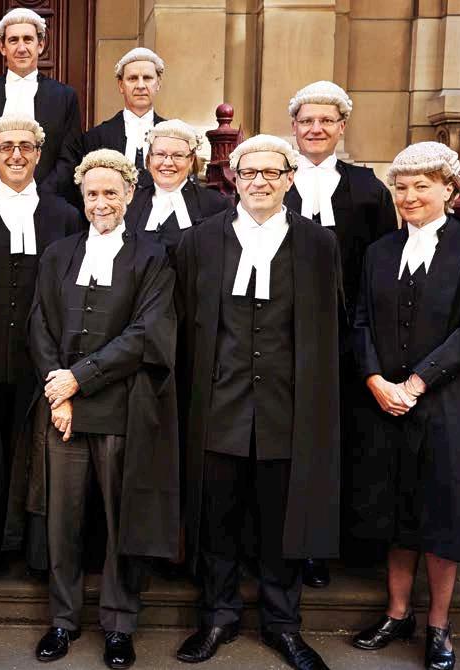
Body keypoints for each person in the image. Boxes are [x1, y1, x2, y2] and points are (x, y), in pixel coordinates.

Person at [174, 135, 340, 670]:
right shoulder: (201, 240)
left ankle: (282, 623)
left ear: (290, 179)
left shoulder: (317, 244)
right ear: (234, 181)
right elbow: (183, 324)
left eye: (272, 172)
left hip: (286, 407)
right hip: (218, 404)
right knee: (217, 518)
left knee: (281, 521)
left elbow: (331, 325)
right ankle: (217, 616)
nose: (260, 182)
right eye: (249, 173)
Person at [349, 142, 460, 670]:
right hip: (386, 403)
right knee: (395, 509)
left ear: (448, 189)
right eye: (401, 187)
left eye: (422, 186)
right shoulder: (378, 252)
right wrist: (375, 379)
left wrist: (418, 382)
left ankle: (439, 626)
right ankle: (396, 613)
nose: (409, 196)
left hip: (450, 403)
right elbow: (359, 321)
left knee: (443, 512)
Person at [29, 149, 179, 669]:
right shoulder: (58, 254)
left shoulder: (152, 257)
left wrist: (79, 379)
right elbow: (40, 325)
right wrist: (60, 391)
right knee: (63, 521)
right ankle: (63, 619)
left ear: (129, 194)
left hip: (121, 407)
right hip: (64, 410)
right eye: (92, 193)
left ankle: (119, 623)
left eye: (110, 192)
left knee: (120, 520)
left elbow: (146, 333)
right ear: (81, 197)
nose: (100, 202)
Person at [0, 115, 83, 576]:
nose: (16, 155)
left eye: (26, 146)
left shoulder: (64, 216)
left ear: (39, 154)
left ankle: (32, 550)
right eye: (6, 146)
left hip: (43, 356)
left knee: (37, 450)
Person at [285, 80, 398, 589]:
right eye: (307, 120)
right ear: (293, 127)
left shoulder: (368, 190)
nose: (316, 129)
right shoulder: (274, 179)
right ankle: (285, 544)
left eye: (326, 120)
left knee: (335, 442)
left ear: (342, 127)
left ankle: (323, 547)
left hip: (344, 339)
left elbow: (383, 265)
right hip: (283, 336)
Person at [0, 7, 81, 195]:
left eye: (28, 39)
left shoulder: (64, 97)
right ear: (2, 47)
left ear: (40, 45)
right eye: (13, 40)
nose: (21, 48)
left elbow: (69, 157)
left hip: (48, 201)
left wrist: (39, 196)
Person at [47, 47, 166, 201]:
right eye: (132, 78)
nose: (141, 85)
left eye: (147, 78)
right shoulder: (95, 139)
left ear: (158, 83)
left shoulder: (173, 136)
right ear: (121, 85)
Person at [125, 119, 231, 254]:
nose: (168, 163)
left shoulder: (215, 205)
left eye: (178, 155)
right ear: (149, 159)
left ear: (191, 160)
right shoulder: (130, 202)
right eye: (160, 154)